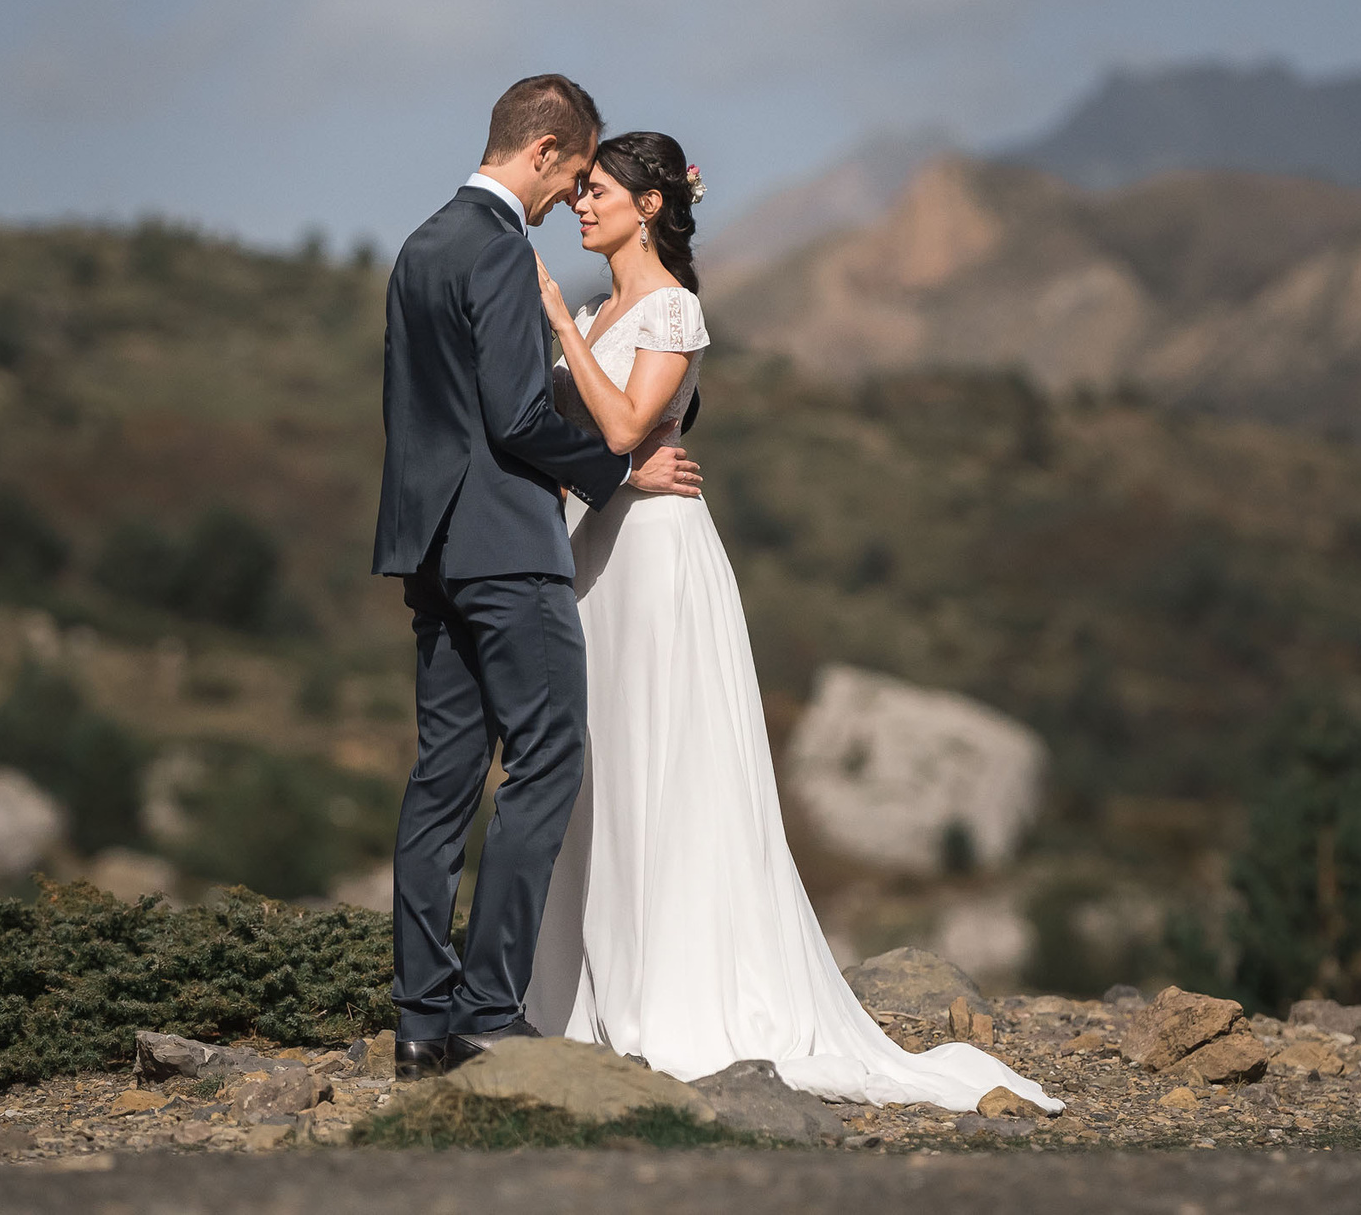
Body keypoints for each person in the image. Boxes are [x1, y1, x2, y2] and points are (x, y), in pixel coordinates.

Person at [523, 130, 1060, 1115]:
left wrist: (558, 324)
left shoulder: (672, 310)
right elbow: (570, 450)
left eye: (595, 191)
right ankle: (587, 998)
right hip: (593, 559)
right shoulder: (605, 311)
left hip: (659, 562)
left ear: (648, 206)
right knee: (600, 772)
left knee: (667, 767)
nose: (577, 205)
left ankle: (674, 996)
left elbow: (619, 428)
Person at [373, 75, 704, 1083]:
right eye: (575, 173)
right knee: (549, 762)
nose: (573, 198)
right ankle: (487, 1008)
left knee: (439, 784)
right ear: (551, 147)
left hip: (428, 552)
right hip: (510, 554)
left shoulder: (419, 246)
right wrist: (620, 468)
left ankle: (420, 1023)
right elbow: (516, 418)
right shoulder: (500, 254)